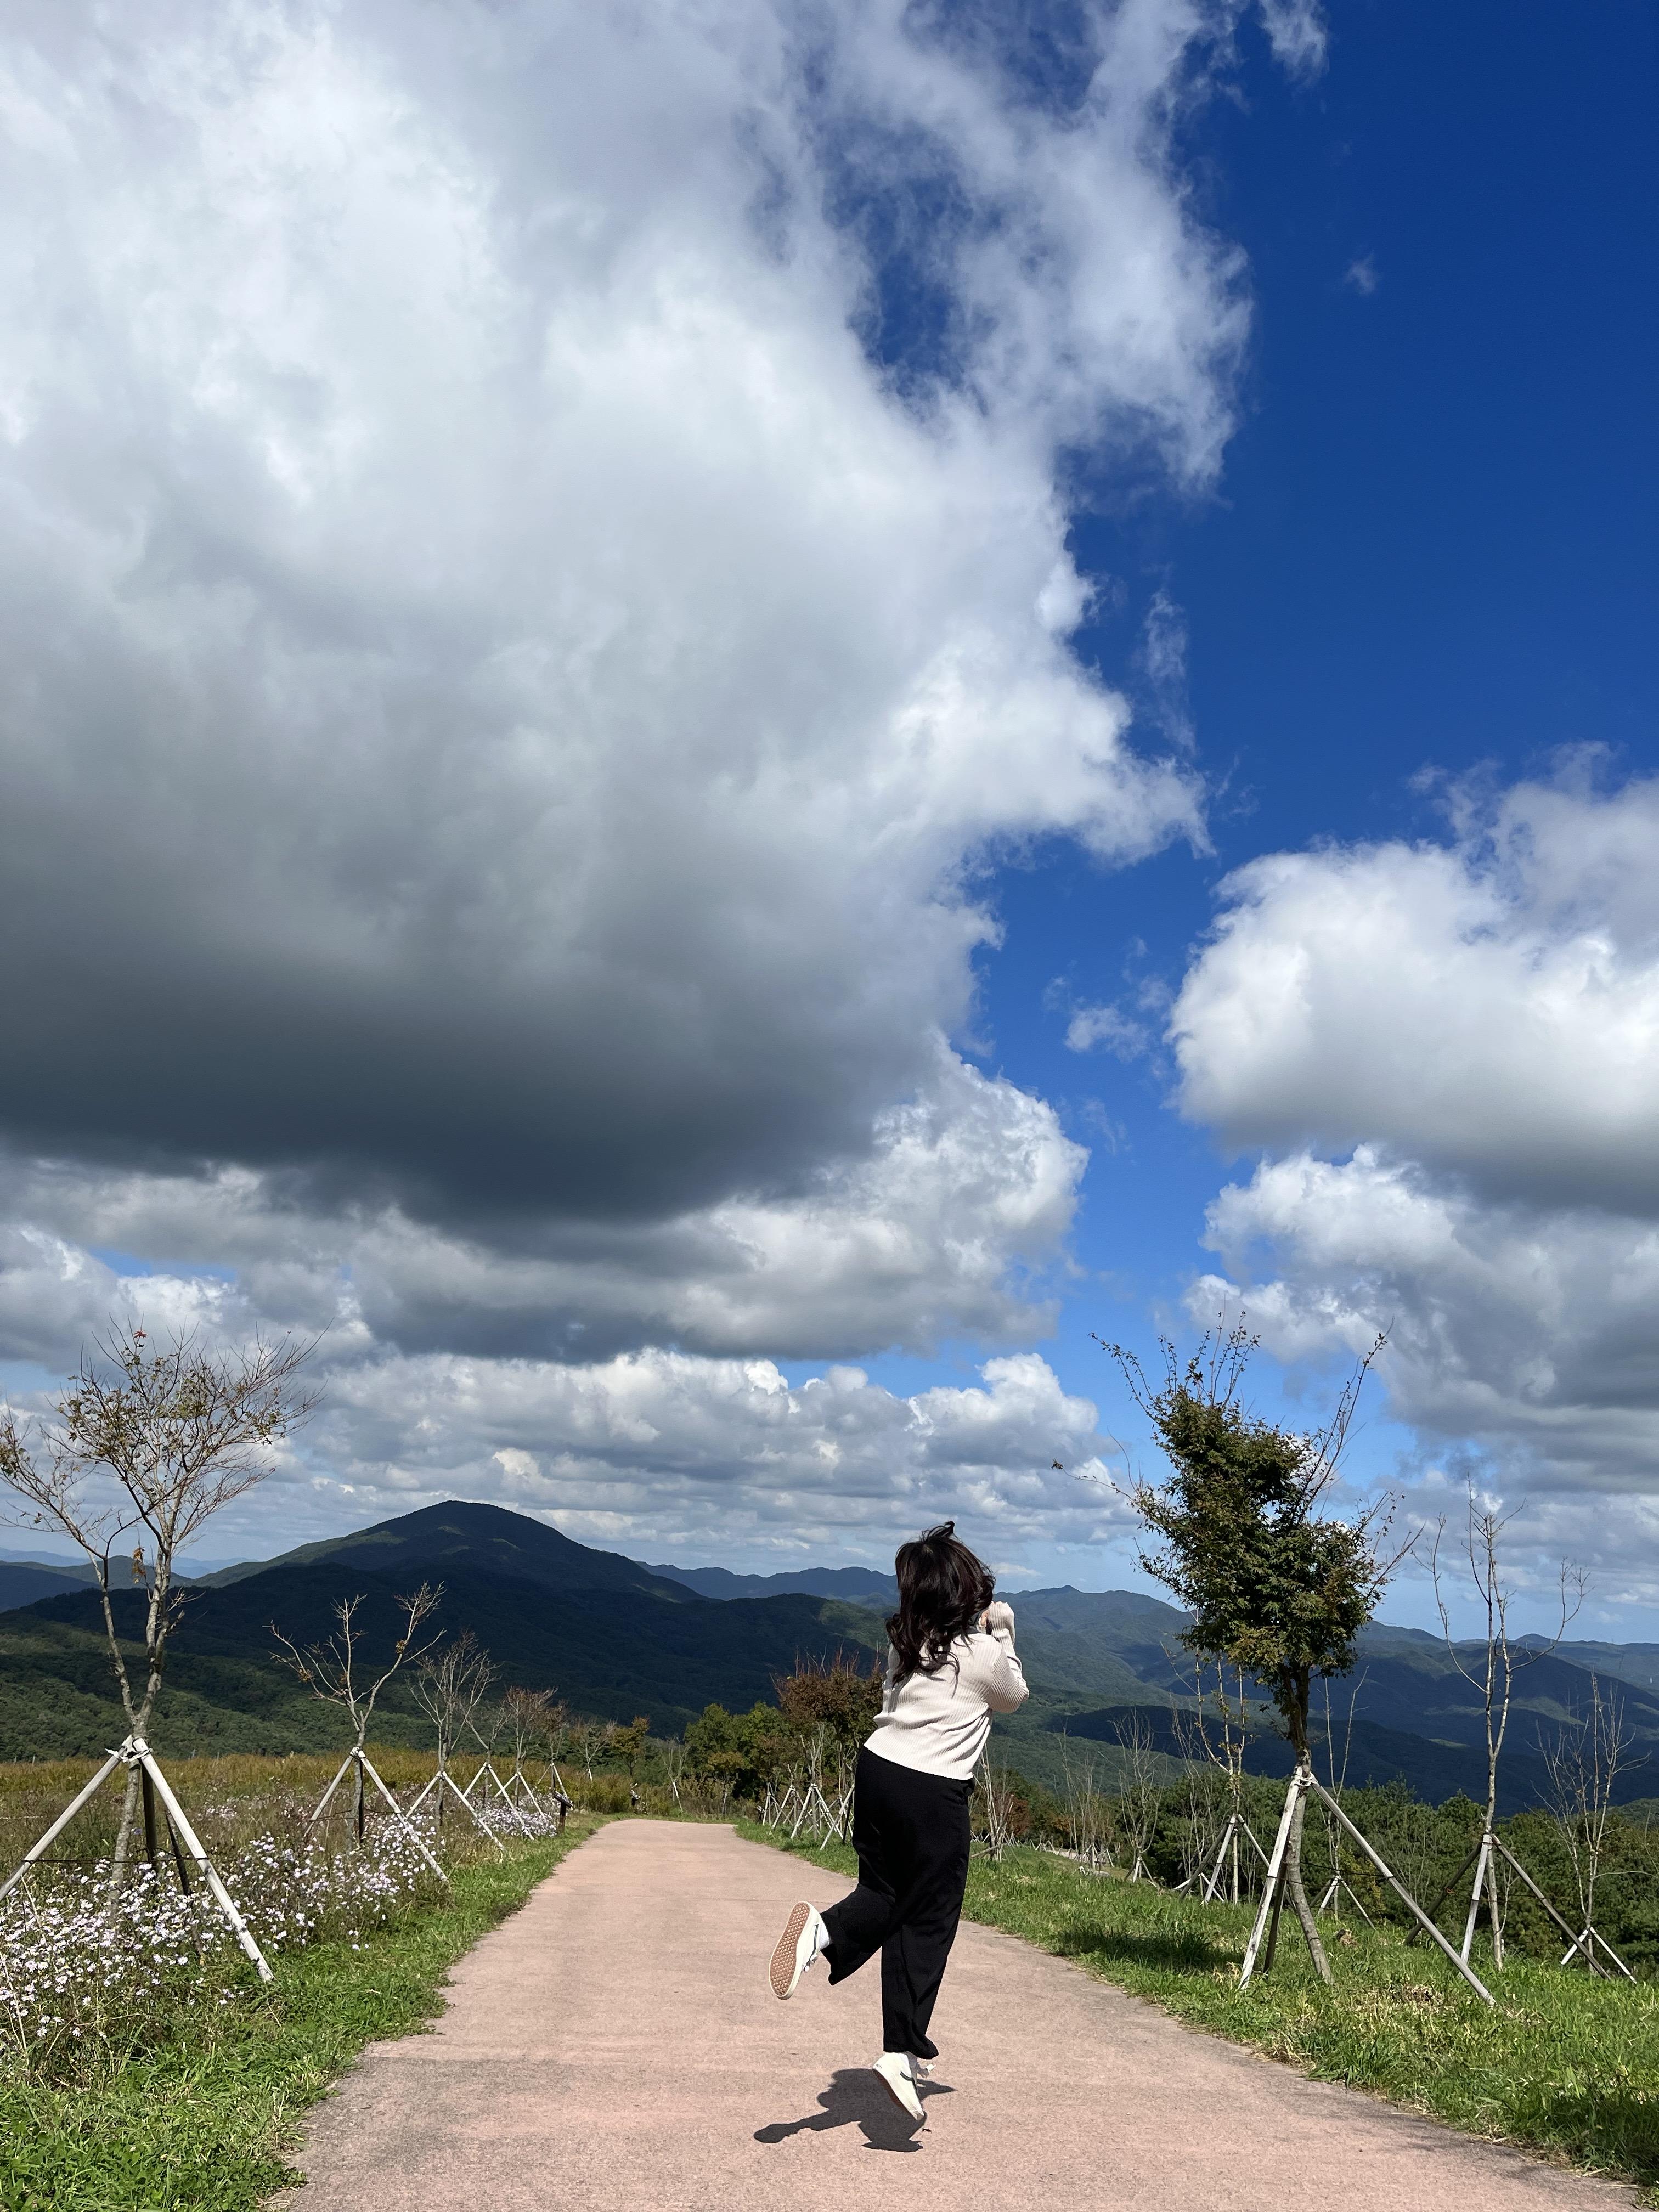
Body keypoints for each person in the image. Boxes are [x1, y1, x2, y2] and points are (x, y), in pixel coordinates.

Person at [766, 1521, 1028, 2123]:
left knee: (886, 1893)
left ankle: (821, 1933)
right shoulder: (983, 1655)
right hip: (932, 1793)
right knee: (930, 1919)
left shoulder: (908, 1645)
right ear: (969, 1591)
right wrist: (1007, 1631)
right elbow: (1014, 1696)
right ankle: (901, 2051)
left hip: (877, 1771)